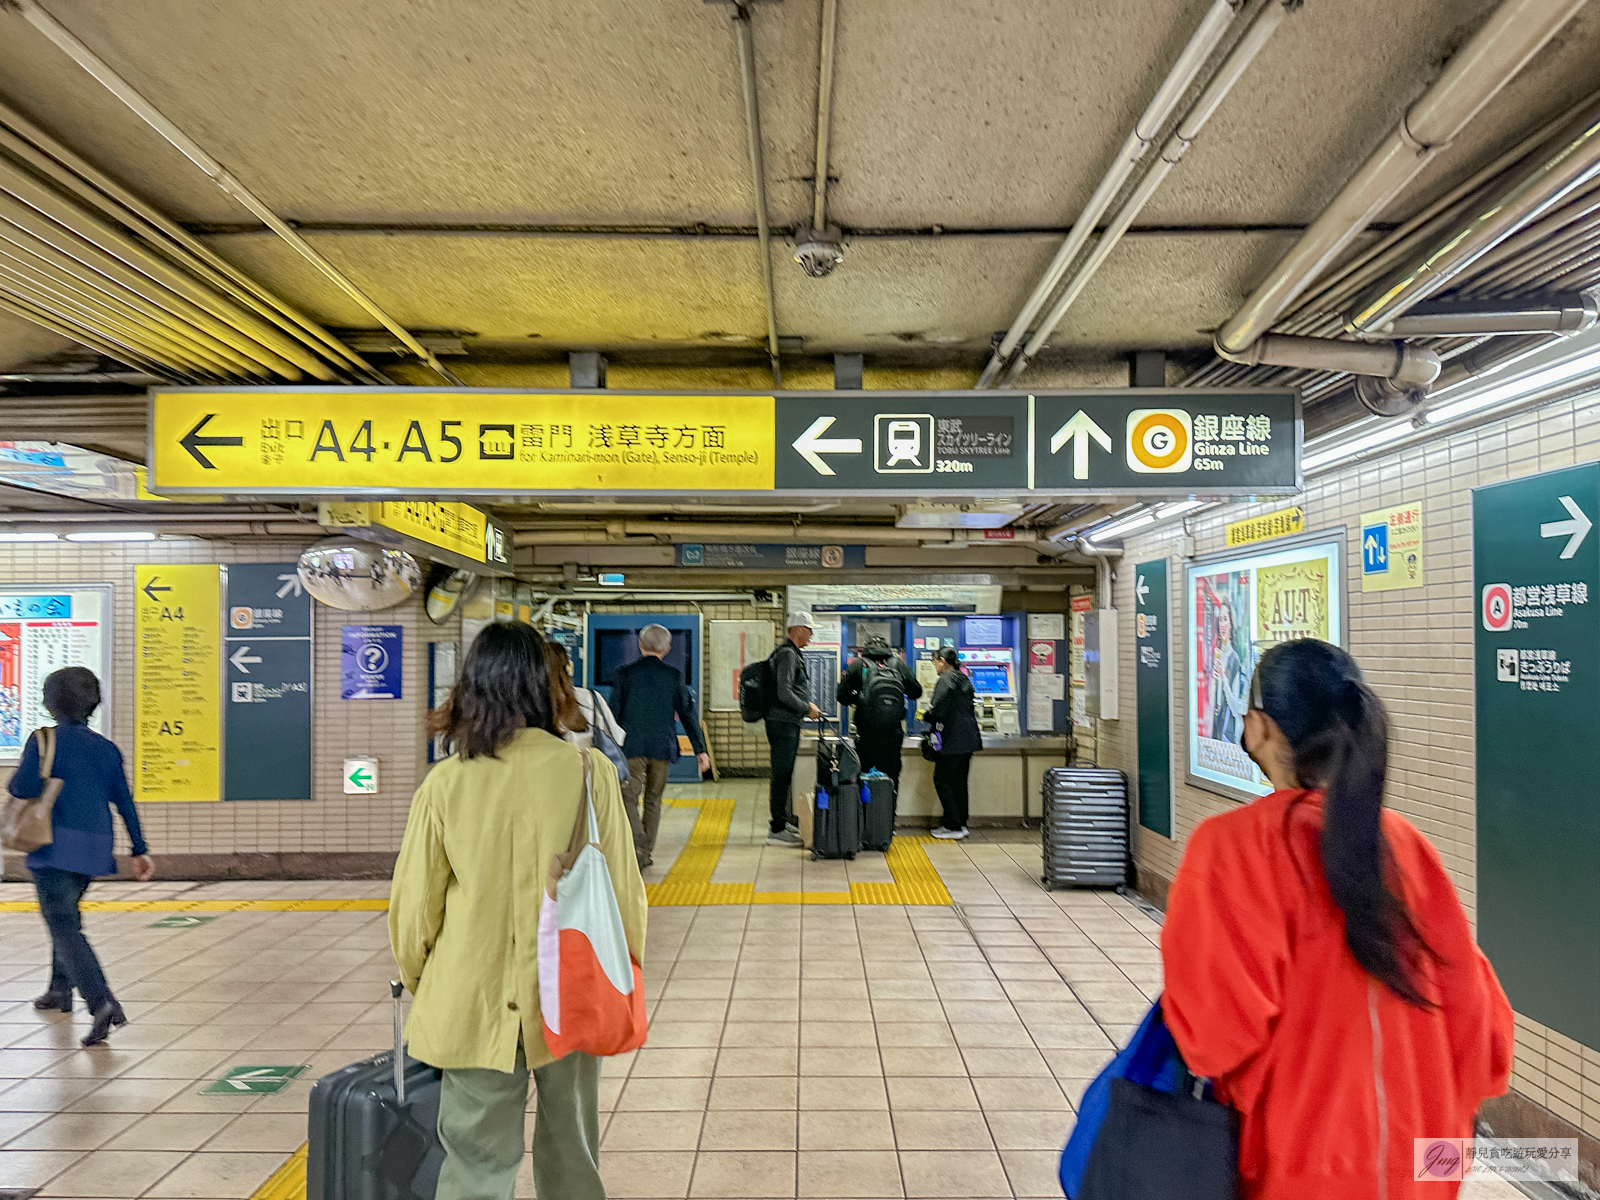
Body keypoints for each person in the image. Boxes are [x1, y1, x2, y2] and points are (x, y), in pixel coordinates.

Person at [1161, 639, 1513, 1199]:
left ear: (1261, 727)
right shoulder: (1405, 847)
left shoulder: (1231, 849)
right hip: (1428, 1164)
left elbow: (1213, 1036)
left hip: (1300, 1165)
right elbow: (1483, 1036)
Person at [391, 622, 645, 1200]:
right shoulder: (589, 773)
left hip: (470, 993)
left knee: (476, 1160)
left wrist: (423, 980)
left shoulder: (445, 785)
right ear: (544, 687)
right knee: (573, 1156)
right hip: (573, 988)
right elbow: (625, 894)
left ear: (471, 688)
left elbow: (413, 912)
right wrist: (623, 970)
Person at [5, 666, 153, 1046]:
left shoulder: (43, 740)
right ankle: (58, 989)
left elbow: (22, 787)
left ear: (51, 702)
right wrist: (139, 850)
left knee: (65, 927)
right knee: (66, 916)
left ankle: (101, 1001)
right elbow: (124, 801)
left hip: (54, 845)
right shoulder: (105, 748)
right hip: (94, 848)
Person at [610, 624, 708, 869]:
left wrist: (609, 746)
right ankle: (646, 849)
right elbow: (687, 713)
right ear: (666, 648)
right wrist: (700, 749)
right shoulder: (673, 676)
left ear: (640, 645)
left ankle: (637, 845)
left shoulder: (624, 674)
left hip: (630, 747)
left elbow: (614, 714)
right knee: (654, 799)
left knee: (628, 797)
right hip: (661, 747)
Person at [764, 611, 820, 847]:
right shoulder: (787, 655)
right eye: (808, 629)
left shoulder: (789, 653)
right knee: (781, 774)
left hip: (785, 722)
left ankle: (781, 820)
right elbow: (784, 691)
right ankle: (776, 829)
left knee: (784, 774)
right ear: (797, 629)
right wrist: (806, 707)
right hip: (783, 723)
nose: (811, 634)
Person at [835, 634, 921, 783]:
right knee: (891, 778)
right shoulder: (899, 665)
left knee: (864, 777)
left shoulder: (858, 665)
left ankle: (866, 805)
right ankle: (890, 805)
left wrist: (859, 698)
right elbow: (916, 692)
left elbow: (842, 696)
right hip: (893, 734)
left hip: (866, 733)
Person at [923, 647, 981, 840]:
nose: (935, 667)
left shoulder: (946, 680)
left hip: (952, 740)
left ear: (942, 661)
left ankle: (952, 824)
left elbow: (939, 709)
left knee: (942, 779)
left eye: (935, 663)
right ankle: (961, 823)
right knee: (959, 782)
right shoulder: (962, 678)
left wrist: (927, 716)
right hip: (968, 739)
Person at [543, 641, 624, 755]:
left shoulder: (533, 703)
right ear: (568, 667)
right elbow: (617, 737)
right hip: (589, 770)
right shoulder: (591, 697)